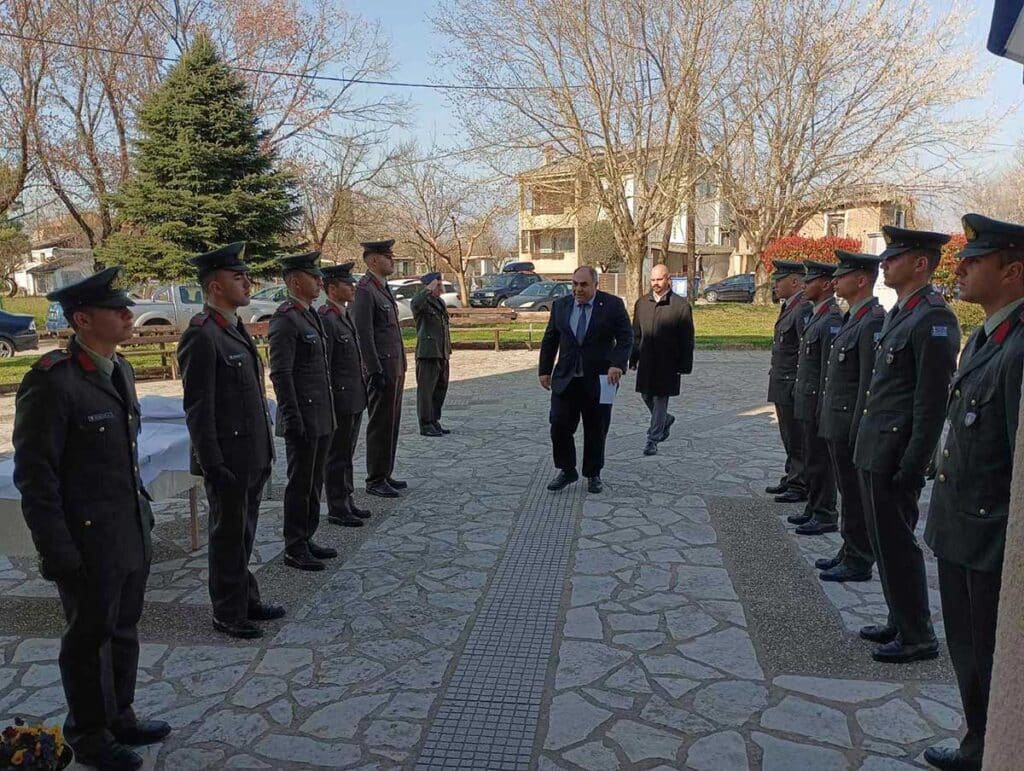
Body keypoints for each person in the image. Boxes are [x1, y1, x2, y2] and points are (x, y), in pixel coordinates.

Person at [13, 267, 170, 771]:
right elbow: (36, 477)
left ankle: (120, 714)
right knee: (87, 640)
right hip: (86, 540)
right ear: (82, 318)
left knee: (124, 629)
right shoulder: (52, 382)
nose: (129, 315)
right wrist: (57, 551)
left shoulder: (118, 369)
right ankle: (89, 733)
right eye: (116, 309)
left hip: (128, 528)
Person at [921, 214, 1024, 771]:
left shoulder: (1019, 347)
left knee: (988, 653)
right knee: (967, 651)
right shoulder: (989, 337)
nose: (960, 270)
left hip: (990, 538)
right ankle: (979, 741)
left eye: (975, 261)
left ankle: (991, 747)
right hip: (960, 526)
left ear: (1013, 272)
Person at [853, 225, 960, 664]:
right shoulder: (901, 312)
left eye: (894, 258)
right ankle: (900, 619)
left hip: (897, 454)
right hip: (876, 447)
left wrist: (914, 464)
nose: (884, 264)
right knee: (883, 541)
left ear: (920, 264)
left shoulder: (934, 317)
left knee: (898, 543)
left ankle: (918, 634)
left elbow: (931, 403)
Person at [177, 243, 281, 639]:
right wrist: (211, 462)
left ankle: (246, 597)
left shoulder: (233, 327)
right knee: (227, 536)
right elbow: (198, 408)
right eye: (237, 278)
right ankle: (227, 611)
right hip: (227, 457)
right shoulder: (202, 336)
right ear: (215, 287)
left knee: (244, 533)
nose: (247, 282)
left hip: (250, 452)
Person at [817, 251, 886, 582]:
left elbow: (866, 384)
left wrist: (858, 428)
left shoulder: (872, 320)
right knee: (847, 491)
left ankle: (859, 558)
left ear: (861, 280)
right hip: (838, 422)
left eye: (843, 276)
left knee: (856, 497)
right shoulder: (852, 317)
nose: (836, 281)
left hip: (850, 425)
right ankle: (849, 549)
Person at [268, 250, 338, 571]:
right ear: (296, 281)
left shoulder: (309, 314)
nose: (320, 282)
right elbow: (281, 374)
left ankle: (307, 536)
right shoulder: (285, 318)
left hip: (320, 415)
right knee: (300, 483)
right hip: (302, 418)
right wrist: (293, 418)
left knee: (313, 483)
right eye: (314, 277)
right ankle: (294, 545)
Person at [539, 265, 633, 494]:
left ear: (595, 285)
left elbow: (625, 337)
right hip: (567, 378)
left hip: (601, 379)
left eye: (583, 285)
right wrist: (544, 369)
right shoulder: (561, 306)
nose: (578, 289)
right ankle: (567, 469)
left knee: (596, 428)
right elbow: (551, 338)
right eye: (574, 284)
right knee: (559, 425)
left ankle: (593, 474)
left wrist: (617, 364)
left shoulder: (611, 305)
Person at [787, 260, 842, 535]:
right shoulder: (817, 315)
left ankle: (825, 513)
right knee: (810, 458)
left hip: (817, 403)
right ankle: (813, 506)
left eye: (811, 281)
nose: (805, 285)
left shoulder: (831, 319)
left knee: (820, 461)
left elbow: (827, 370)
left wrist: (822, 406)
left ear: (827, 284)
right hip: (806, 400)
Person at [352, 239, 409, 498]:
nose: (392, 260)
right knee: (380, 424)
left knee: (392, 423)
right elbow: (363, 334)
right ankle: (375, 478)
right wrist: (373, 370)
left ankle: (385, 472)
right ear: (373, 260)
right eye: (387, 256)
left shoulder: (381, 288)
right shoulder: (364, 290)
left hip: (394, 366)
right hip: (381, 369)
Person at [319, 261, 371, 528]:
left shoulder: (345, 314)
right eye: (346, 283)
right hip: (339, 398)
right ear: (330, 288)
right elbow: (326, 365)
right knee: (337, 454)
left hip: (354, 395)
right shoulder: (327, 318)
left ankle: (347, 498)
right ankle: (337, 506)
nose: (352, 286)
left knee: (347, 452)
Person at [629, 263, 695, 456]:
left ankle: (653, 438)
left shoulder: (681, 306)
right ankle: (665, 420)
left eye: (659, 279)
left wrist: (684, 365)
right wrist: (633, 357)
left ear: (668, 280)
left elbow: (687, 338)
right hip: (647, 360)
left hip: (668, 362)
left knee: (660, 398)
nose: (656, 283)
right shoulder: (642, 303)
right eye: (653, 280)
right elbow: (636, 333)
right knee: (646, 395)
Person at [766, 260, 812, 504]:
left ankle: (800, 482)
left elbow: (805, 350)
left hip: (791, 383)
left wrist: (798, 383)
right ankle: (792, 476)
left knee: (796, 437)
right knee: (788, 435)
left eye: (779, 280)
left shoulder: (803, 309)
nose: (775, 285)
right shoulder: (790, 307)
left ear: (795, 282)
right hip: (782, 381)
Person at [411, 271, 453, 437]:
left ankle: (434, 419)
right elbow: (415, 303)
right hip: (427, 352)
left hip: (441, 351)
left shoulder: (439, 302)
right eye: (439, 285)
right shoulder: (423, 302)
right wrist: (428, 289)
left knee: (439, 389)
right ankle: (425, 422)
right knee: (426, 391)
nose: (441, 289)